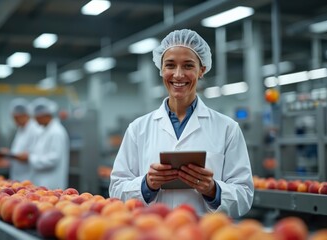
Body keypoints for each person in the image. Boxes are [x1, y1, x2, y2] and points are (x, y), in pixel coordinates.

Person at [109, 29, 254, 218]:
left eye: (188, 66)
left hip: (203, 232)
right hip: (152, 231)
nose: (178, 75)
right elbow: (116, 189)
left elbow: (244, 194)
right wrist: (147, 184)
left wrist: (212, 189)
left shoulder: (227, 129)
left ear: (201, 70)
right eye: (170, 65)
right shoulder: (138, 129)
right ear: (161, 69)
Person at [14, 97, 70, 189]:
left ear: (45, 115)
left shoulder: (56, 132)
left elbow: (53, 159)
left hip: (51, 182)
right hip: (40, 180)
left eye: (37, 118)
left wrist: (30, 158)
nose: (35, 121)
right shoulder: (44, 131)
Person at [7, 98, 42, 182]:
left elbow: (37, 153)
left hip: (29, 176)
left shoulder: (35, 129)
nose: (15, 121)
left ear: (25, 115)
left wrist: (26, 156)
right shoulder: (21, 129)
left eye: (17, 118)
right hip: (17, 173)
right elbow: (18, 149)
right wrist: (9, 153)